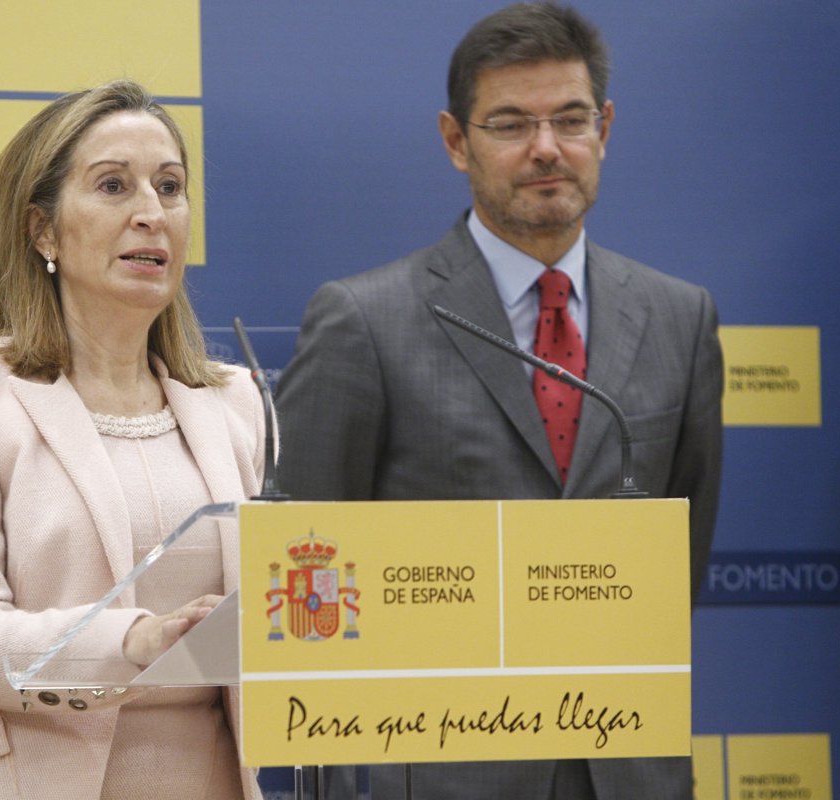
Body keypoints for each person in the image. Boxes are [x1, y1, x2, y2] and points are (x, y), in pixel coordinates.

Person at [276, 3, 722, 799]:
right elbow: (305, 567)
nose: (547, 148)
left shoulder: (680, 318)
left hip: (627, 769)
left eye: (571, 120)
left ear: (605, 128)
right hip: (438, 773)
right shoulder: (366, 319)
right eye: (511, 124)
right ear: (457, 141)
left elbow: (677, 565)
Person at [0, 80, 264, 800]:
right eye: (114, 186)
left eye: (170, 187)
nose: (151, 213)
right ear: (44, 231)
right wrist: (135, 642)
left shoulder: (236, 401)